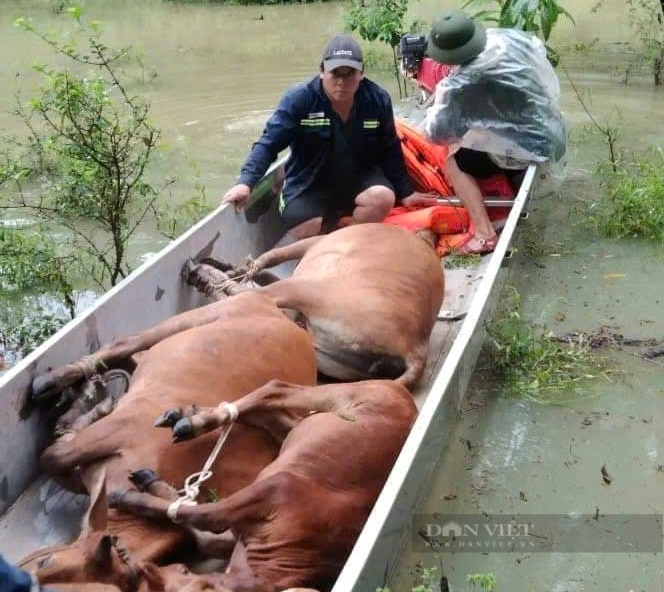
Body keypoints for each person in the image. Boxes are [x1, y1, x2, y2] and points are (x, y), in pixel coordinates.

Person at [222, 34, 432, 239]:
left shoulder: (377, 99)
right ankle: (332, 235)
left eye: (349, 73)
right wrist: (246, 182)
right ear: (321, 71)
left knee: (383, 197)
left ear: (361, 74)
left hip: (360, 177)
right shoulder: (299, 99)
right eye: (335, 73)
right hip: (311, 180)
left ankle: (349, 235)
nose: (342, 82)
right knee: (302, 226)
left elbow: (390, 148)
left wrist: (405, 192)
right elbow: (268, 145)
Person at [417, 9, 567, 254]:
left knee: (454, 160)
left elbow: (437, 133)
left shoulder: (461, 83)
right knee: (485, 135)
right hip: (549, 129)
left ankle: (484, 234)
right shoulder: (510, 39)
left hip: (525, 147)